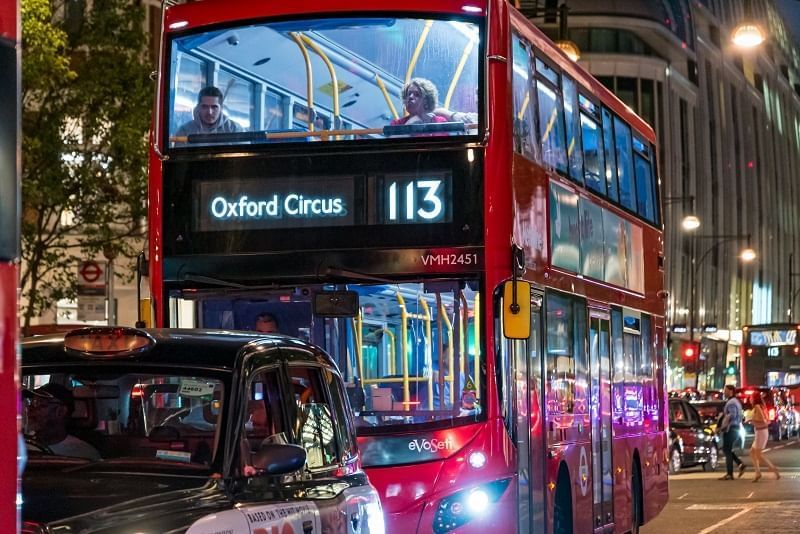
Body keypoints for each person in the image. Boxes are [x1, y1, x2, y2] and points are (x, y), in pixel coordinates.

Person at [25, 383, 101, 460]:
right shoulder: (22, 445)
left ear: (61, 411)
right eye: (30, 402)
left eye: (39, 404)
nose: (30, 409)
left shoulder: (84, 453)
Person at [175, 86, 240, 139]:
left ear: (221, 108)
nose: (209, 112)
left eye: (214, 107)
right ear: (198, 107)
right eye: (205, 107)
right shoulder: (185, 131)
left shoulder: (235, 129)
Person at [747, 390, 780, 481]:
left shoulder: (757, 406)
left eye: (751, 398)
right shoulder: (762, 406)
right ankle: (757, 473)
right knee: (752, 452)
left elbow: (762, 420)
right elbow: (766, 419)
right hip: (760, 431)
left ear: (754, 398)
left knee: (758, 455)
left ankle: (774, 469)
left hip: (761, 432)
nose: (750, 400)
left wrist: (751, 421)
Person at [717, 384, 745, 480]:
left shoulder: (732, 402)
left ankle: (730, 473)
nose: (724, 392)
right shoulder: (735, 401)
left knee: (726, 449)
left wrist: (723, 424)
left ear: (731, 391)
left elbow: (731, 415)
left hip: (731, 428)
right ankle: (740, 464)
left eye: (725, 390)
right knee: (727, 449)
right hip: (735, 427)